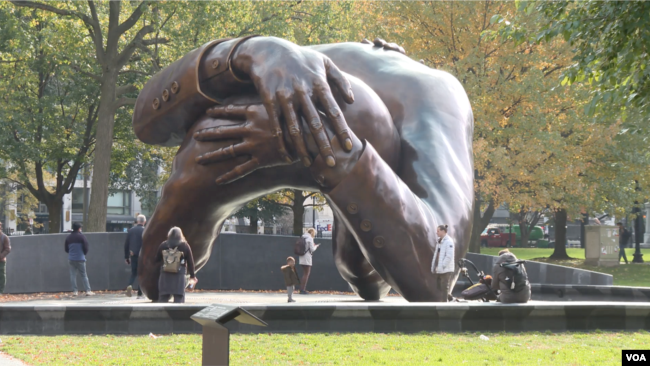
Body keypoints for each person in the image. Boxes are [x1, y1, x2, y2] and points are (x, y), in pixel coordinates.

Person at [134, 36, 473, 302]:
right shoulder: (286, 67)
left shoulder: (431, 97)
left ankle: (196, 185)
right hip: (279, 112)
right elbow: (145, 122)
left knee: (360, 268)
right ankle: (195, 186)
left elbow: (434, 280)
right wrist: (249, 50)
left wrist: (322, 144)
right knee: (360, 269)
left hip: (367, 148)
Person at [155, 227, 197, 303]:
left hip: (165, 275)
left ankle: (161, 314)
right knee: (179, 298)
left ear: (169, 235)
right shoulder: (184, 245)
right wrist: (192, 276)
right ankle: (178, 314)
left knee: (163, 298)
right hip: (179, 275)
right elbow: (190, 262)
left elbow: (156, 259)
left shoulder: (163, 245)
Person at [65, 222, 95, 296]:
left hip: (71, 259)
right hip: (80, 259)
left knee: (73, 275)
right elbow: (86, 247)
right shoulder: (82, 237)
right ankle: (88, 290)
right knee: (84, 275)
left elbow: (66, 249)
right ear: (79, 229)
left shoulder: (68, 237)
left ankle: (75, 291)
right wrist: (83, 253)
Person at [431, 224, 455, 302]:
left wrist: (442, 266)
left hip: (446, 269)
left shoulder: (449, 241)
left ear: (443, 231)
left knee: (444, 286)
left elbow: (449, 256)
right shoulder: (439, 241)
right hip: (440, 268)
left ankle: (444, 303)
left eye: (438, 231)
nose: (436, 232)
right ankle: (449, 297)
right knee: (439, 286)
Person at [125, 214, 146, 298]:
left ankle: (129, 285)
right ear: (144, 222)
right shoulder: (145, 230)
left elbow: (126, 244)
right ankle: (140, 293)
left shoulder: (131, 230)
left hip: (133, 254)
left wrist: (126, 257)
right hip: (143, 255)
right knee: (141, 274)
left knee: (134, 273)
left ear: (137, 221)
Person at [298, 228, 320, 294]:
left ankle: (302, 289)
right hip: (307, 258)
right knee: (306, 274)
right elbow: (312, 249)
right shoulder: (310, 238)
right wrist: (316, 246)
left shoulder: (303, 237)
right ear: (312, 233)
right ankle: (302, 290)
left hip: (301, 257)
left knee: (304, 273)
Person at [0, 222, 11, 294]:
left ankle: (0, 291)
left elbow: (7, 249)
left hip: (1, 260)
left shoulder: (4, 237)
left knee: (1, 276)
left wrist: (0, 256)